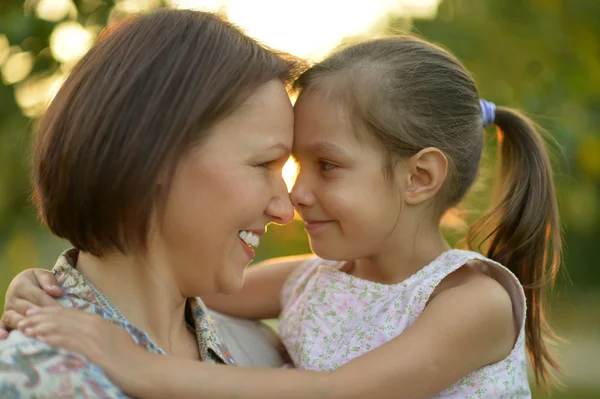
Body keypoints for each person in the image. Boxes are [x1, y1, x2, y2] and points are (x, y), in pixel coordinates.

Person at [2, 35, 562, 398]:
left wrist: (132, 364)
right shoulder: (310, 283)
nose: (293, 196)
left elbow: (339, 392)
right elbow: (153, 276)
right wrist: (47, 284)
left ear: (419, 178)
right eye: (281, 163)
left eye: (327, 165)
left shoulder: (472, 300)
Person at [0, 7, 305, 396]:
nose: (285, 209)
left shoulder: (268, 354)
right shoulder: (24, 380)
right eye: (265, 163)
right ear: (158, 157)